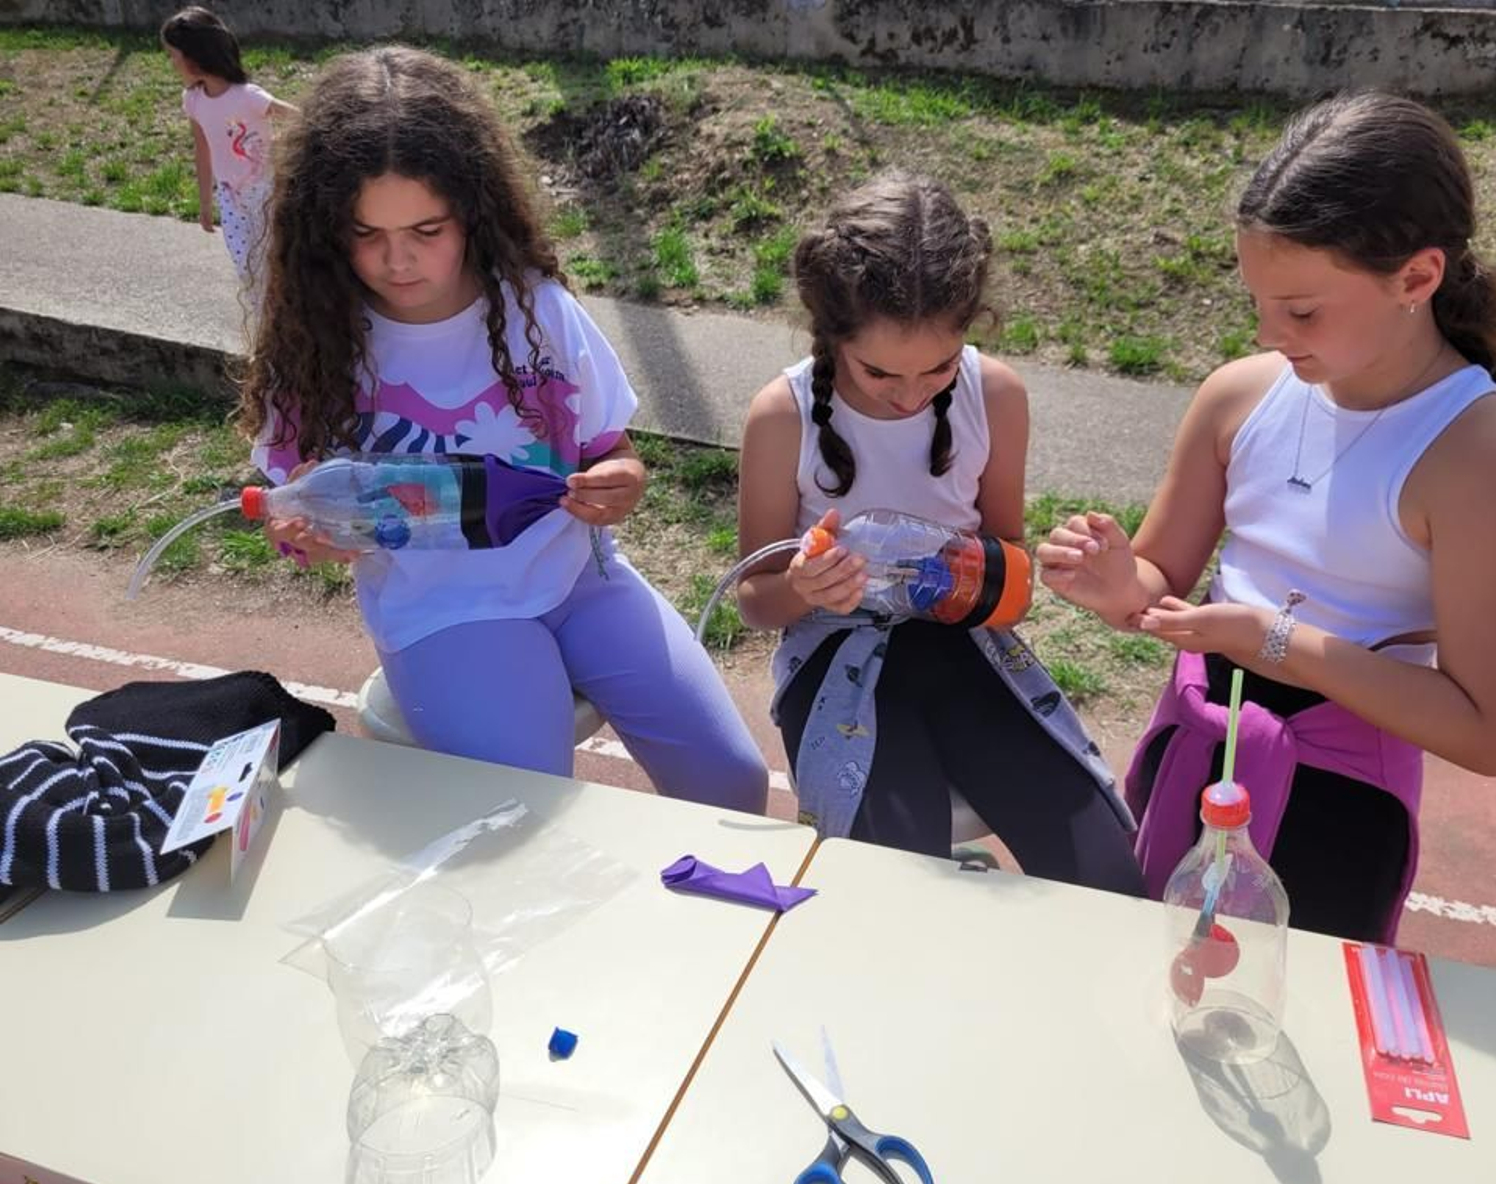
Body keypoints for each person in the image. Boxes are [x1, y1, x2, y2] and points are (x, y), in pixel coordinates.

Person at [1039, 93, 1496, 942]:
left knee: (1292, 1039)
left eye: (1302, 311)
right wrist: (1117, 581)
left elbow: (1493, 733)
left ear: (1417, 279)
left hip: (1339, 803)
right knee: (1147, 985)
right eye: (1259, 303)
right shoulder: (1241, 396)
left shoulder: (1475, 452)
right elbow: (1157, 586)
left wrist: (1273, 641)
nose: (1272, 334)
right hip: (1193, 752)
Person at [239, 46, 768, 813]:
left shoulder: (537, 309)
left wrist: (622, 483)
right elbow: (289, 511)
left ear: (473, 209)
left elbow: (611, 453)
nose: (398, 260)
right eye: (366, 232)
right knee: (531, 813)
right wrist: (305, 535)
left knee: (733, 783)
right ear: (325, 226)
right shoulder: (314, 338)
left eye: (427, 229)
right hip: (450, 610)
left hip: (581, 579)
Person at [736, 170, 1144, 893]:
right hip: (834, 653)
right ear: (830, 333)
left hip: (966, 644)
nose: (911, 393)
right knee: (892, 890)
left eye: (938, 368)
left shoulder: (995, 394)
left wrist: (1025, 573)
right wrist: (803, 589)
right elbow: (754, 600)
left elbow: (1006, 563)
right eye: (879, 373)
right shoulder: (783, 415)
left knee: (1110, 880)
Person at [161, 7, 296, 293]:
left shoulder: (248, 96)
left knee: (275, 265)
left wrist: (283, 142)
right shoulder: (193, 100)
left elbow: (300, 117)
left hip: (266, 193)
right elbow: (203, 150)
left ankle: (282, 320)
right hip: (230, 198)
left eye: (173, 56)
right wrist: (206, 203)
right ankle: (263, 321)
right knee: (246, 269)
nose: (171, 63)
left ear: (194, 58)